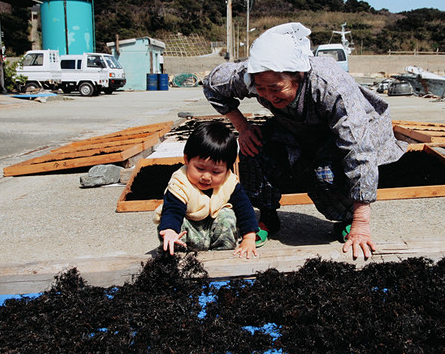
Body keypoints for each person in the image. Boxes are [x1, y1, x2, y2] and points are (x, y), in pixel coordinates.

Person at [203, 22, 408, 260]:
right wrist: (243, 127)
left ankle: (346, 219)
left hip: (340, 136)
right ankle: (267, 217)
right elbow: (211, 85)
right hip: (295, 128)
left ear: (298, 75)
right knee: (252, 147)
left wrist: (362, 222)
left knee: (326, 174)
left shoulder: (332, 87)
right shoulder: (249, 75)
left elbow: (358, 150)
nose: (268, 96)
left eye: (276, 88)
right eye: (260, 89)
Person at [154, 121, 263, 258]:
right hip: (189, 234)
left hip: (214, 231)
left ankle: (221, 255)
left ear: (227, 169)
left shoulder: (230, 183)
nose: (206, 177)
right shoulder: (180, 182)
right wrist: (170, 230)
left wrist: (248, 238)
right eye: (200, 169)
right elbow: (173, 210)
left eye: (216, 172)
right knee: (167, 229)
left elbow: (245, 209)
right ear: (187, 160)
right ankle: (176, 254)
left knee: (227, 216)